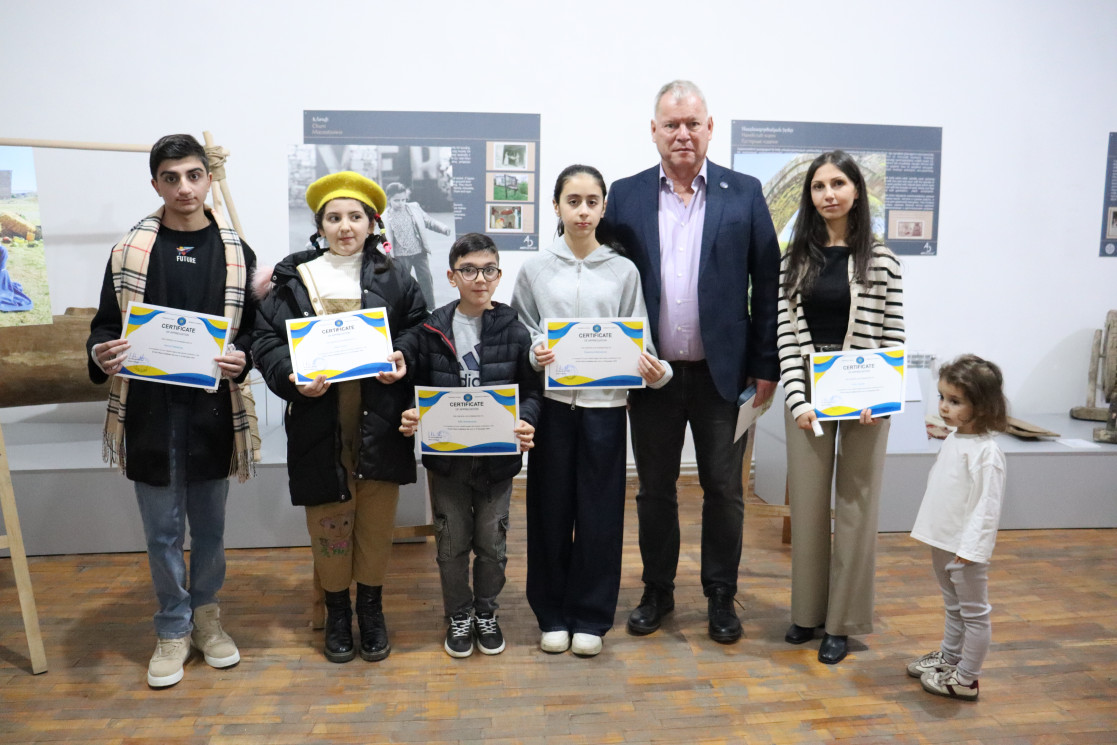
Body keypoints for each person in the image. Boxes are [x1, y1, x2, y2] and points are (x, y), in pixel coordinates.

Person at [603, 80, 781, 644]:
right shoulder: (625, 195)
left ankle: (721, 596)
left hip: (721, 378)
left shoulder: (744, 192)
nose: (683, 133)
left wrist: (766, 365)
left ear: (710, 127)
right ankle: (657, 591)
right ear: (652, 131)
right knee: (654, 489)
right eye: (671, 124)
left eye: (693, 123)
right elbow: (607, 278)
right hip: (649, 375)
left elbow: (767, 283)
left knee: (724, 491)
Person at [86, 134, 256, 688]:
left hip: (212, 412)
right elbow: (105, 329)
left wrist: (243, 358)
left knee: (209, 529)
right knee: (162, 531)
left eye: (193, 175)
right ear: (155, 183)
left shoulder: (237, 253)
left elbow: (252, 333)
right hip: (150, 413)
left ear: (208, 178)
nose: (184, 188)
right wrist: (102, 352)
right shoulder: (129, 251)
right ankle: (172, 627)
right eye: (171, 177)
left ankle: (207, 618)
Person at [252, 171, 427, 664]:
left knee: (375, 514)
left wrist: (402, 357)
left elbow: (418, 329)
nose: (345, 226)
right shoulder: (294, 279)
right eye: (334, 218)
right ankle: (336, 611)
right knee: (328, 512)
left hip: (380, 412)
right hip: (317, 412)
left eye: (355, 217)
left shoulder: (396, 278)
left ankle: (371, 609)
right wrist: (291, 376)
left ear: (372, 224)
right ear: (319, 225)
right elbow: (265, 341)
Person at [511, 164, 672, 657]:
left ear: (604, 207)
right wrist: (537, 347)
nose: (583, 211)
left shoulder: (623, 270)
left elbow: (637, 331)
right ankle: (552, 612)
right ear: (556, 206)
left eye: (592, 201)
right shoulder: (536, 268)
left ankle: (592, 615)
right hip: (554, 407)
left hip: (606, 408)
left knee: (601, 514)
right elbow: (522, 327)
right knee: (549, 510)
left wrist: (652, 368)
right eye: (573, 201)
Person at [777, 150, 905, 664]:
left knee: (855, 509)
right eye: (817, 186)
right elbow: (785, 337)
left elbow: (894, 336)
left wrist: (879, 398)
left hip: (866, 402)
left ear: (857, 190)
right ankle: (807, 614)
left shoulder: (883, 259)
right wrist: (797, 398)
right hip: (808, 397)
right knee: (807, 509)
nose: (828, 194)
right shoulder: (793, 259)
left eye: (838, 183)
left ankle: (843, 622)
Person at [395, 232, 541, 658]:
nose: (481, 278)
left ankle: (486, 612)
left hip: (498, 463)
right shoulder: (430, 330)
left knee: (493, 546)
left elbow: (532, 391)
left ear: (499, 275)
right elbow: (414, 387)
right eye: (469, 270)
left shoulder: (515, 330)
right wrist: (411, 413)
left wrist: (527, 420)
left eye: (489, 270)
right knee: (451, 545)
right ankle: (459, 613)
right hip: (447, 463)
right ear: (452, 275)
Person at [907, 355, 1007, 701]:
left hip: (964, 550)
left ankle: (967, 678)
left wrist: (971, 551)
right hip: (944, 541)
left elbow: (986, 508)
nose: (944, 407)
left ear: (982, 405)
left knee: (975, 614)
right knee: (953, 606)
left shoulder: (987, 453)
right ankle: (950, 658)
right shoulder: (955, 439)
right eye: (942, 398)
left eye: (955, 401)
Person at [382, 181, 452, 313]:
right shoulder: (385, 217)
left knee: (426, 279)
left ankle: (430, 307)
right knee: (402, 284)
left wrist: (443, 228)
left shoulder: (414, 207)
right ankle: (402, 309)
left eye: (403, 199)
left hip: (419, 252)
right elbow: (385, 240)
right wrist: (388, 256)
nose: (401, 203)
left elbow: (428, 221)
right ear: (389, 199)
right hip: (401, 256)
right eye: (397, 200)